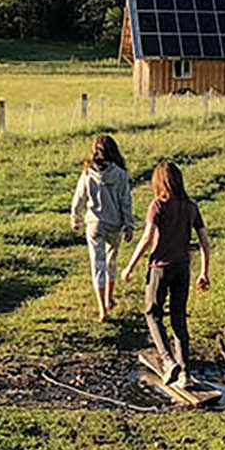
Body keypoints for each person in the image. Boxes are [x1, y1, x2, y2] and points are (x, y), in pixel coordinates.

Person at [120, 161, 211, 387]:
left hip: (160, 268)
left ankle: (168, 361)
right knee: (179, 318)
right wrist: (204, 272)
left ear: (159, 182)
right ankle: (186, 374)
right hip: (183, 267)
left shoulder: (158, 206)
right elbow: (204, 242)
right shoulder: (191, 206)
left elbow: (147, 238)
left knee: (153, 313)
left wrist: (129, 266)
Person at [69, 133, 134, 322]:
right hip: (115, 224)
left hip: (94, 224)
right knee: (111, 262)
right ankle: (109, 299)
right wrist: (129, 225)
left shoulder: (88, 174)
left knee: (97, 264)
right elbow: (126, 201)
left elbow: (79, 198)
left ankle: (102, 309)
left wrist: (76, 219)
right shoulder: (121, 175)